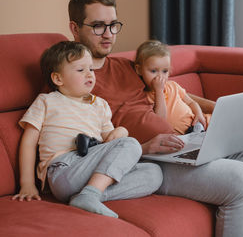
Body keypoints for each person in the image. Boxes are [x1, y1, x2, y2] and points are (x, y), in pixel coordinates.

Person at [68, 0, 243, 237]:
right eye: (98, 26)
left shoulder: (128, 66)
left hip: (184, 143)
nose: (108, 34)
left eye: (113, 25)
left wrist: (221, 108)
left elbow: (174, 91)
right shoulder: (72, 78)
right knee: (242, 179)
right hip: (148, 161)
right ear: (74, 28)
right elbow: (82, 143)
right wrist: (141, 148)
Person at [12, 41, 162, 219]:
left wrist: (120, 131)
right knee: (131, 144)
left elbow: (110, 141)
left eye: (91, 69)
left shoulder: (100, 104)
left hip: (91, 170)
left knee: (154, 173)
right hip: (63, 170)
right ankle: (90, 194)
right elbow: (28, 142)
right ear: (58, 79)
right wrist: (27, 183)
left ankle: (89, 195)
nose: (89, 74)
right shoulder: (47, 101)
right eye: (80, 70)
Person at [134, 40, 211, 134]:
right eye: (153, 71)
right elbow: (160, 120)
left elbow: (191, 102)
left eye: (165, 71)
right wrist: (159, 92)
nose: (160, 76)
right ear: (139, 70)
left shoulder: (173, 86)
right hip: (184, 136)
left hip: (200, 124)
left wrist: (199, 114)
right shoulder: (144, 97)